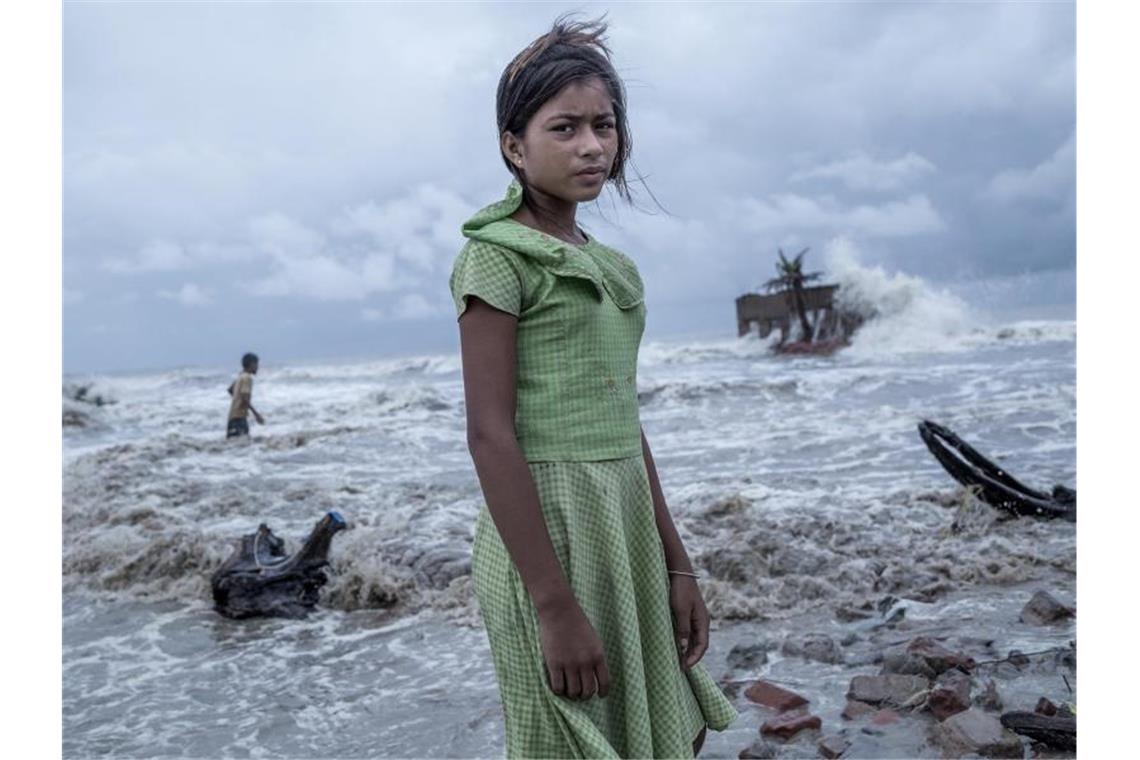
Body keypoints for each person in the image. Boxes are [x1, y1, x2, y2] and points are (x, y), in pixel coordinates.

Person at [450, 17, 737, 758]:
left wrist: (678, 563)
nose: (591, 145)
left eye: (604, 125)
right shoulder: (497, 262)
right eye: (565, 127)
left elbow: (624, 421)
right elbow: (489, 435)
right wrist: (553, 606)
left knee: (665, 725)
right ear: (515, 146)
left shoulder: (613, 268)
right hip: (548, 533)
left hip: (624, 526)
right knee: (568, 739)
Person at [226, 352, 264, 439]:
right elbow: (244, 398)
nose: (258, 367)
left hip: (232, 417)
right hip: (239, 418)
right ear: (251, 364)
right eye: (256, 364)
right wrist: (256, 415)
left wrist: (237, 401)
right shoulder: (247, 378)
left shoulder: (241, 376)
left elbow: (231, 390)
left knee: (233, 446)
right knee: (242, 444)